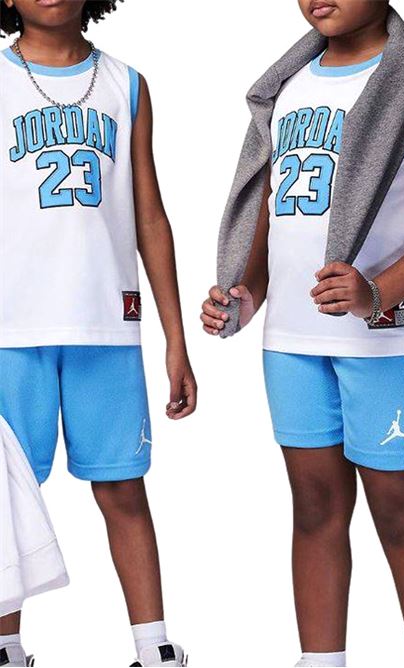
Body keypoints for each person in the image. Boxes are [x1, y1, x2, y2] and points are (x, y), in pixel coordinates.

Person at [201, 1, 404, 666]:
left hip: (387, 339)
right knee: (313, 506)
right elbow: (273, 212)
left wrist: (376, 291)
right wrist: (244, 294)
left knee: (399, 509)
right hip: (293, 342)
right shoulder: (288, 85)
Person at [0, 1, 196, 666]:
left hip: (107, 323)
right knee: (5, 495)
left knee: (122, 486)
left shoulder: (126, 84)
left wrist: (175, 338)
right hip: (11, 327)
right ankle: (5, 644)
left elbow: (150, 217)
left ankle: (153, 644)